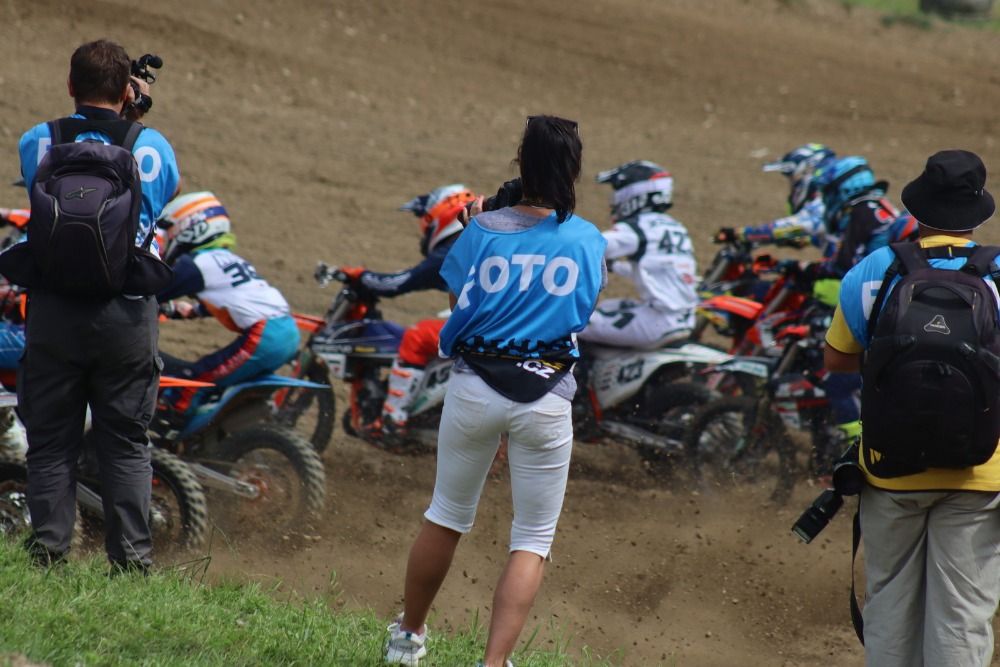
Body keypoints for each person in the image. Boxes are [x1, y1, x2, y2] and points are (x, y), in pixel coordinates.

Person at [385, 115, 606, 667]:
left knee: (446, 515)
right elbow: (582, 312)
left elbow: (458, 295)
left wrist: (482, 223)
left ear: (521, 164)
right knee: (532, 538)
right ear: (573, 169)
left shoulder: (481, 229)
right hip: (547, 396)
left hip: (474, 388)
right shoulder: (587, 238)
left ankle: (407, 639)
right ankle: (492, 664)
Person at [824, 149, 1000, 665]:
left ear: (918, 207)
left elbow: (836, 360)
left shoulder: (875, 269)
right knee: (961, 615)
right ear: (976, 213)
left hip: (890, 469)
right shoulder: (997, 273)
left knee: (890, 607)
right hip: (980, 472)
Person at [14, 39, 180, 570]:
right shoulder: (154, 147)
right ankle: (131, 563)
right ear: (127, 89)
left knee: (50, 440)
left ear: (69, 85)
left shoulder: (38, 140)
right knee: (126, 442)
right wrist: (134, 118)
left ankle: (48, 554)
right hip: (126, 312)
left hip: (54, 308)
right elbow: (155, 202)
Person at [337, 184, 476, 436]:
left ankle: (393, 420)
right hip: (510, 327)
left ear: (442, 215)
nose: (424, 229)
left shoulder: (455, 248)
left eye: (426, 220)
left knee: (417, 336)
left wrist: (362, 276)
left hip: (483, 330)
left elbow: (400, 283)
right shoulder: (478, 242)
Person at [155, 191, 299, 416]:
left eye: (171, 229)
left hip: (266, 335)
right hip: (287, 330)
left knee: (195, 379)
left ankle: (174, 422)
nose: (169, 236)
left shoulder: (196, 264)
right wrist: (192, 311)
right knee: (216, 378)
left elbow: (152, 293)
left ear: (192, 227)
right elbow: (237, 298)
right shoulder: (227, 258)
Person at [577, 160, 696, 348]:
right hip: (683, 318)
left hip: (657, 322)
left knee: (572, 322)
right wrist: (615, 266)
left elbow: (591, 247)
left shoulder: (639, 227)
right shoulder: (675, 227)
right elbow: (656, 269)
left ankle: (576, 367)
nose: (614, 201)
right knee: (608, 306)